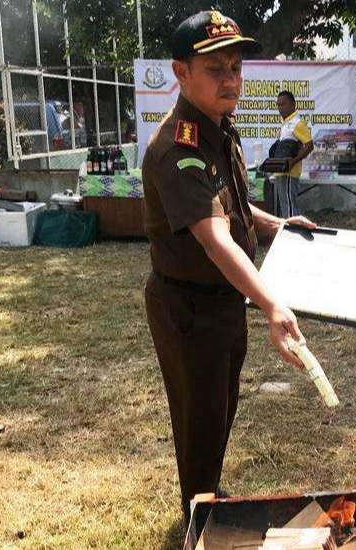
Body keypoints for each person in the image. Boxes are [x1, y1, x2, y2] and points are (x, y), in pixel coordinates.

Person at [140, 10, 317, 520]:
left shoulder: (218, 129)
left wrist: (280, 225)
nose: (231, 80)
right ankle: (200, 519)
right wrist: (272, 304)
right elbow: (215, 239)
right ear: (180, 73)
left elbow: (233, 209)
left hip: (222, 302)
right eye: (216, 69)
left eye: (236, 68)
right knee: (199, 423)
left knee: (218, 413)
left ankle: (207, 499)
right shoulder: (180, 145)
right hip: (189, 307)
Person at [272, 90, 315, 217]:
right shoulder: (286, 123)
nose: (280, 108)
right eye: (278, 105)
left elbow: (309, 145)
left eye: (283, 104)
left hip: (290, 173)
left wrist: (293, 161)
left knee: (290, 208)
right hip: (281, 172)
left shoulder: (297, 123)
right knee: (286, 207)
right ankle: (290, 233)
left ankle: (294, 234)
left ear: (293, 104)